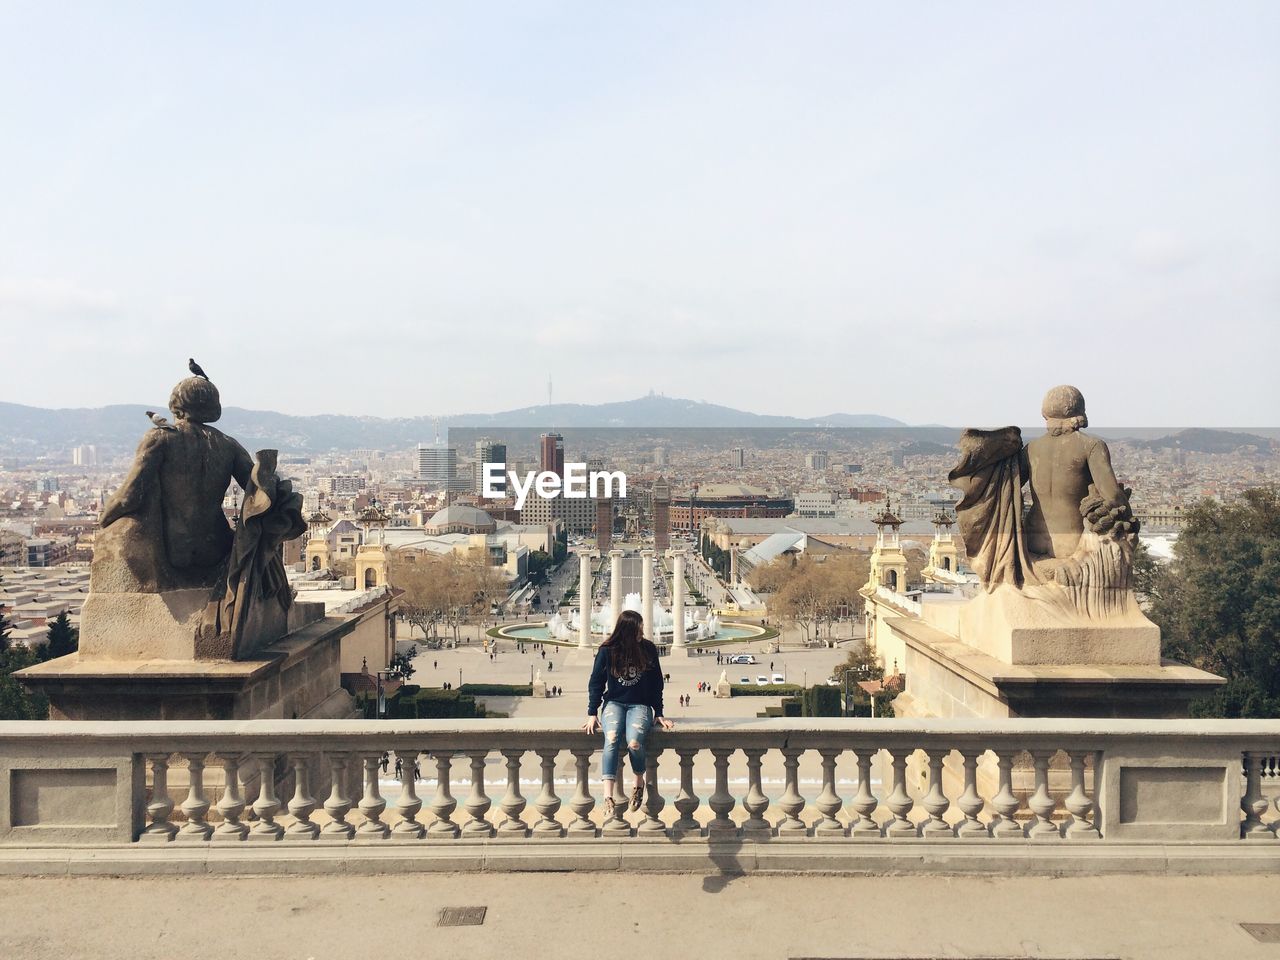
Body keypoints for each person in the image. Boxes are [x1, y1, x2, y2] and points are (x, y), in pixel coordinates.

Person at [583, 609, 674, 817]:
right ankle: (607, 796)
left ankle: (638, 783)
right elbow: (596, 682)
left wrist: (659, 712)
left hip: (639, 705)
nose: (642, 630)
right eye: (639, 627)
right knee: (612, 736)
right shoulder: (607, 650)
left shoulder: (649, 649)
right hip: (614, 703)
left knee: (634, 742)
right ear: (628, 630)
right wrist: (592, 712)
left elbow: (656, 684)